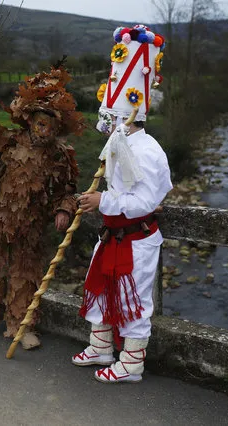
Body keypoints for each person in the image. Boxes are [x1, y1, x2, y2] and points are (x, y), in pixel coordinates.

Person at [0, 62, 84, 349]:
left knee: (25, 275)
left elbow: (68, 189)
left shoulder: (60, 156)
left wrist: (64, 208)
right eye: (40, 122)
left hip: (31, 223)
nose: (44, 129)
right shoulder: (7, 140)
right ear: (29, 119)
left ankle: (20, 327)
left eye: (50, 125)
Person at [70, 24, 173, 383]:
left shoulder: (146, 150)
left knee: (133, 299)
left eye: (111, 116)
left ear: (127, 115)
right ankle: (101, 346)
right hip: (113, 234)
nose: (107, 121)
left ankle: (131, 364)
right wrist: (104, 201)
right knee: (98, 286)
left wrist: (104, 200)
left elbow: (146, 200)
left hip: (136, 238)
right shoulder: (119, 144)